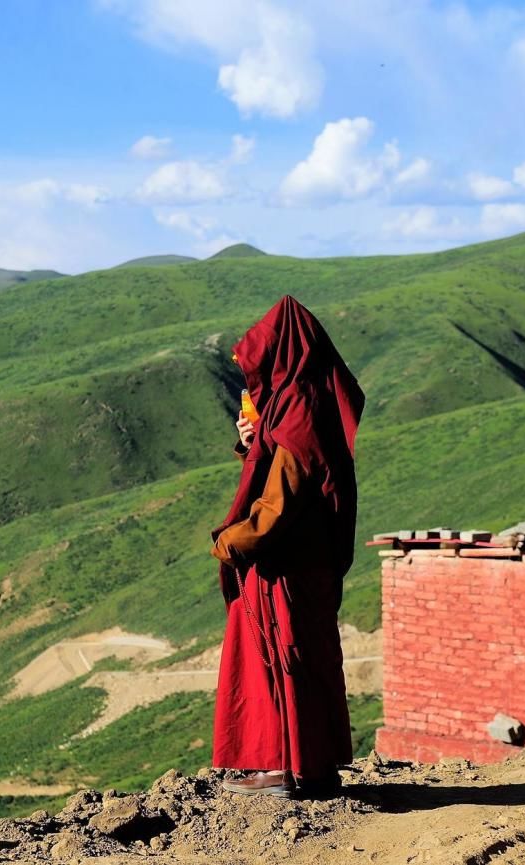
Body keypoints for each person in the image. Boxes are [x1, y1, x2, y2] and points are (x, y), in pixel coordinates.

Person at [209, 294, 365, 800]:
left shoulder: (299, 406)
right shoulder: (298, 398)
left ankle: (280, 768)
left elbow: (284, 496)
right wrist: (251, 440)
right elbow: (279, 466)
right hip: (307, 557)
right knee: (309, 658)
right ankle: (314, 768)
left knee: (279, 658)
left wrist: (234, 543)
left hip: (286, 562)